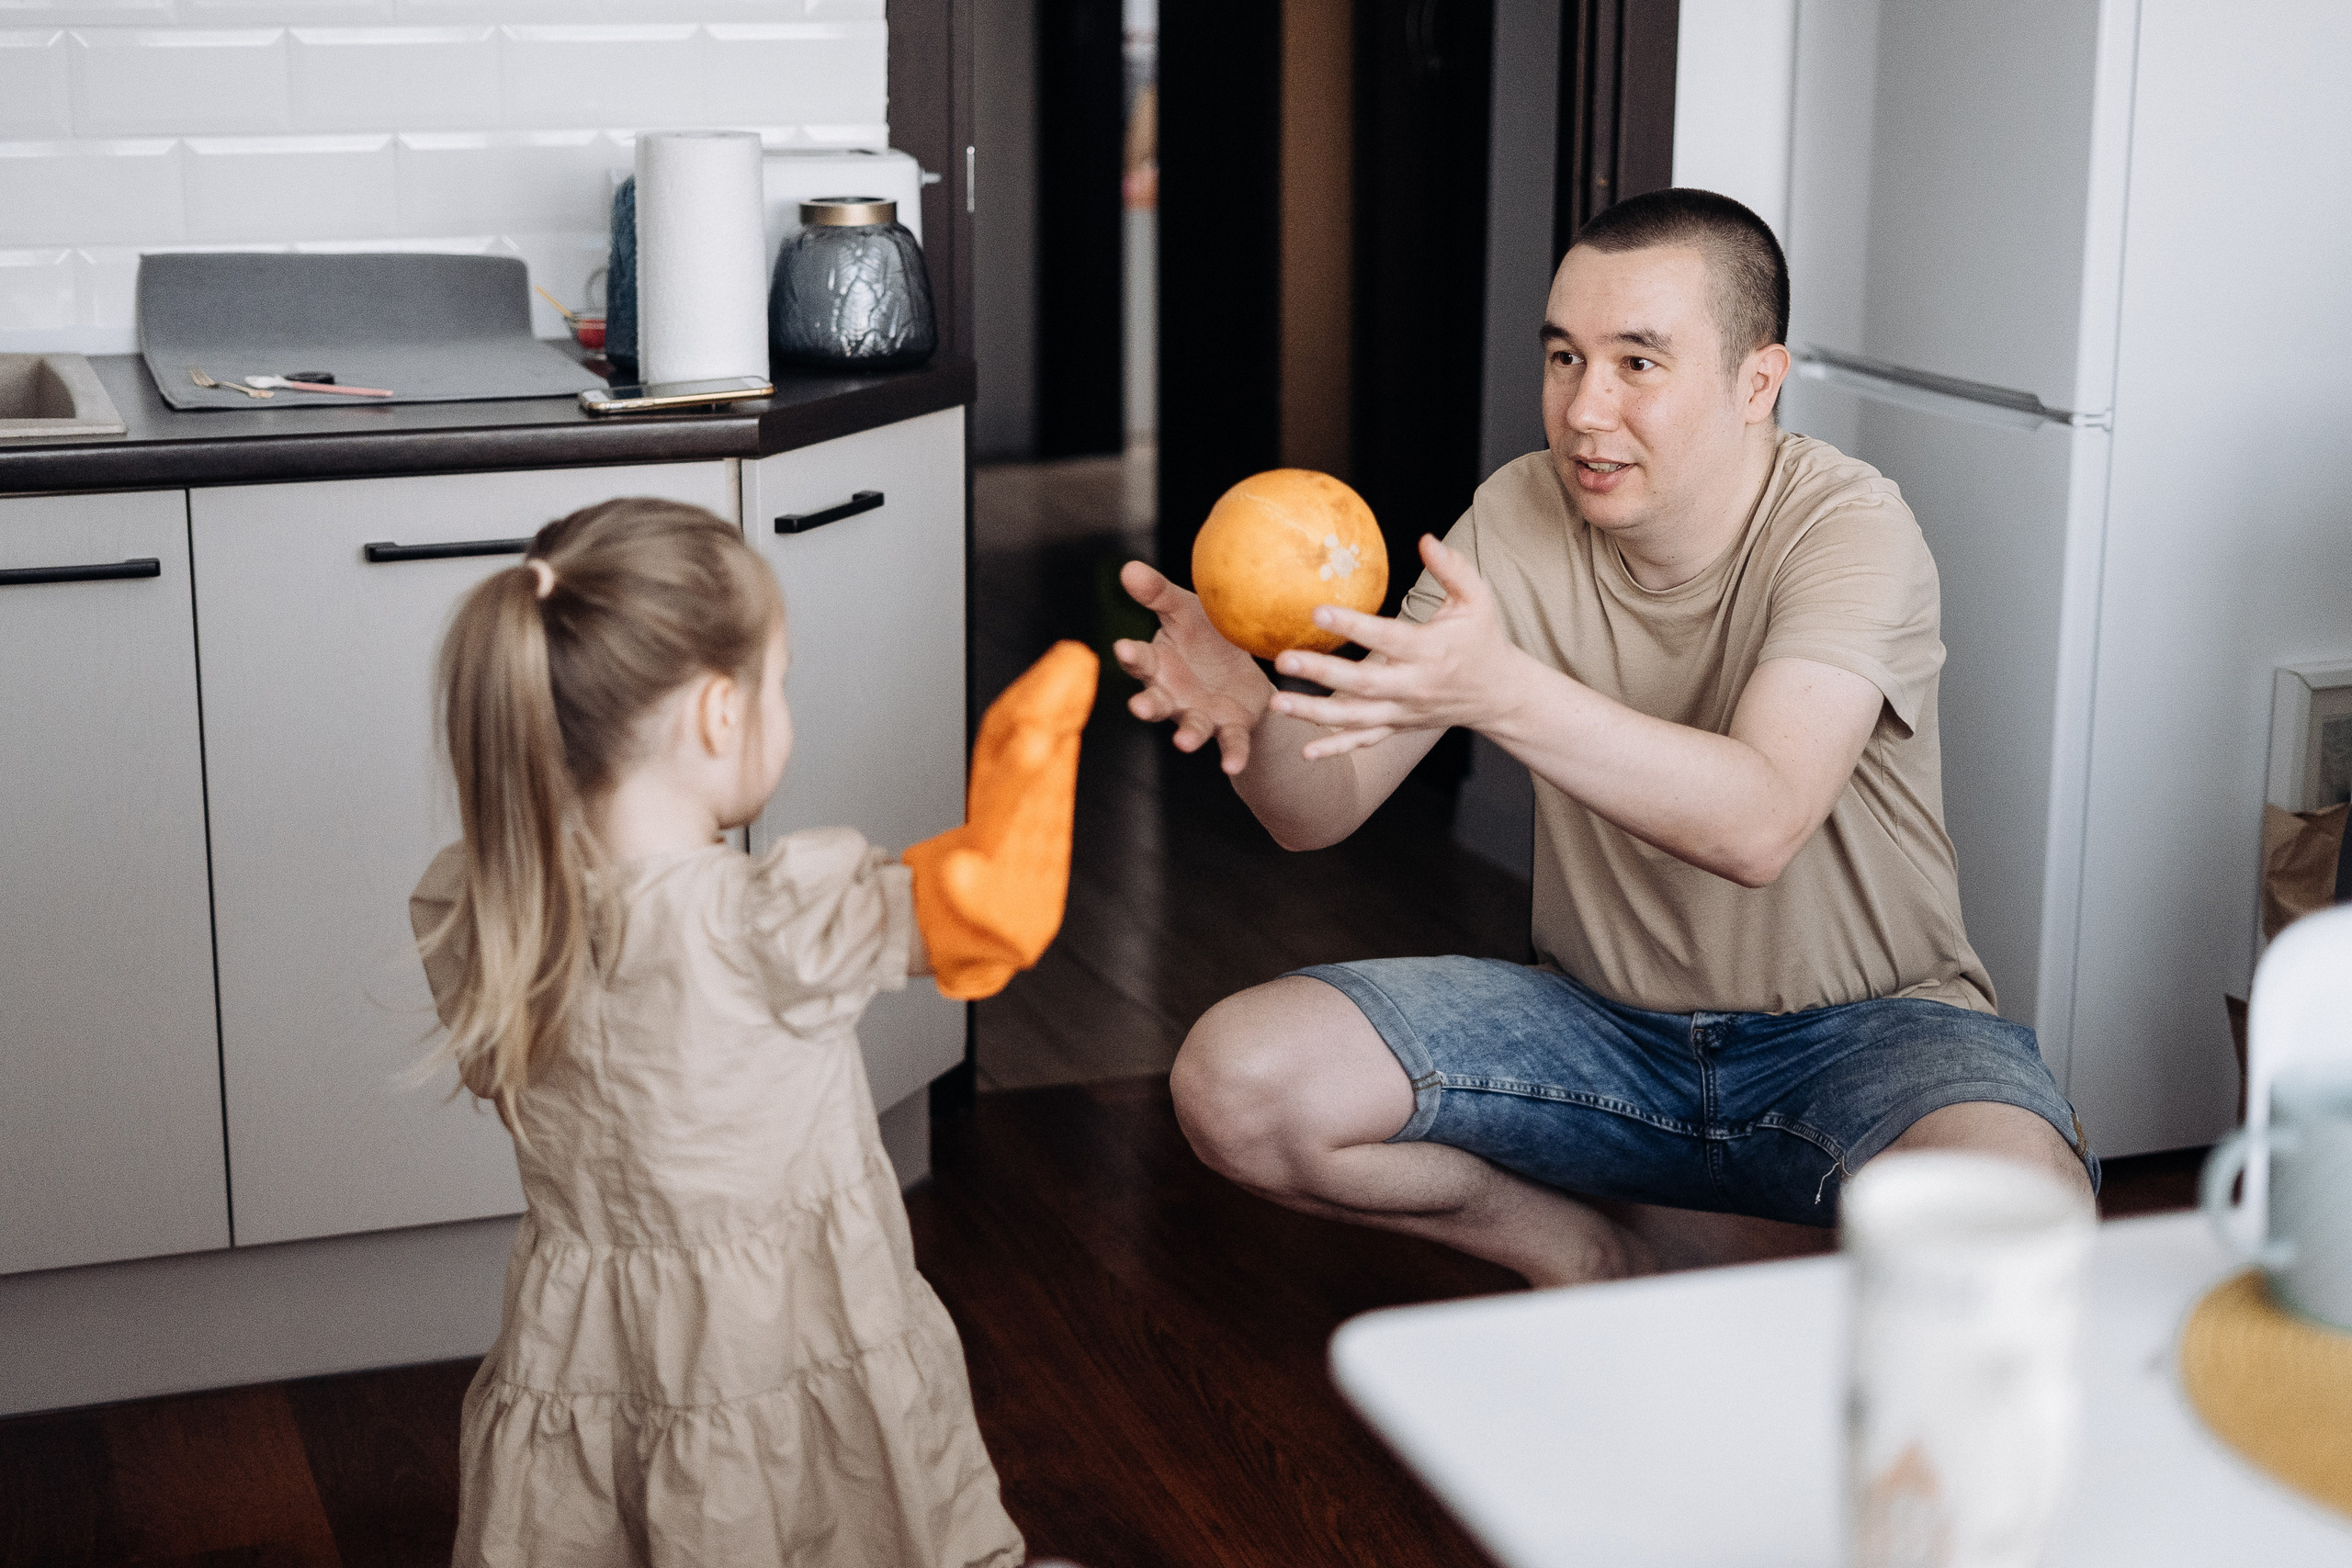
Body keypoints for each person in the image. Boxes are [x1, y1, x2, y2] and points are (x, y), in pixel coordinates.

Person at [1115, 187, 2098, 1289]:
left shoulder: (1850, 528)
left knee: (2025, 1213)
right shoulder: (1517, 514)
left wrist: (1497, 692)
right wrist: (1251, 708)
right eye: (1564, 358)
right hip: (1599, 1034)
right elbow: (1317, 812)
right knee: (1236, 1081)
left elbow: (1759, 819)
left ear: (1754, 382)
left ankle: (1758, 1254)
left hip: (1865, 1036)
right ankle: (1591, 1253)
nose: (1584, 411)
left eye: (1638, 363)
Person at [408, 498, 1084, 1567]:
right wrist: (1040, 735)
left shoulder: (487, 903)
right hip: (783, 1327)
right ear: (720, 715)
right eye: (781, 684)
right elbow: (994, 912)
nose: (785, 709)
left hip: (593, 1335)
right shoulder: (764, 923)